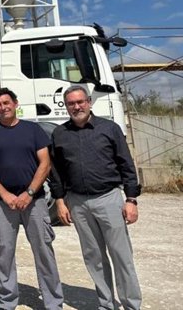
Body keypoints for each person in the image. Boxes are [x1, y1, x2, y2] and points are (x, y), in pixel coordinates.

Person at [50, 85, 142, 310]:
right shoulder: (60, 134)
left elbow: (126, 165)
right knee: (94, 257)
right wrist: (60, 201)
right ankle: (106, 303)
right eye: (71, 103)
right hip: (78, 203)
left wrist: (131, 200)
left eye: (80, 101)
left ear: (89, 102)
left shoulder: (109, 129)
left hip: (109, 198)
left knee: (122, 256)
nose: (76, 106)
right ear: (66, 106)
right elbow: (57, 172)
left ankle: (132, 305)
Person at [0, 87, 64, 310]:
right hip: (1, 202)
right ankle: (7, 300)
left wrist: (30, 193)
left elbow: (45, 163)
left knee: (44, 250)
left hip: (33, 201)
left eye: (7, 102)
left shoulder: (33, 130)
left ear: (16, 104)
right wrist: (5, 195)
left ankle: (53, 302)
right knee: (4, 252)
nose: (3, 107)